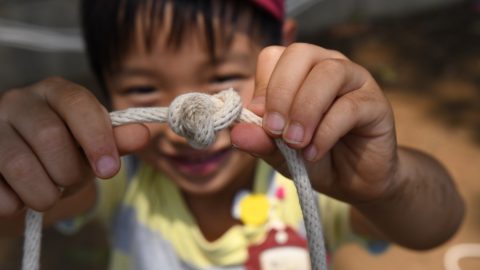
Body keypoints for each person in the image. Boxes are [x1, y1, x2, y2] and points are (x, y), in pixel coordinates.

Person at [0, 0, 464, 269]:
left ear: (280, 51)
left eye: (222, 78)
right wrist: (22, 163)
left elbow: (437, 224)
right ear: (104, 86)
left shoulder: (310, 172)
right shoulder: (117, 177)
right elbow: (23, 208)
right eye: (141, 87)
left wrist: (387, 182)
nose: (187, 135)